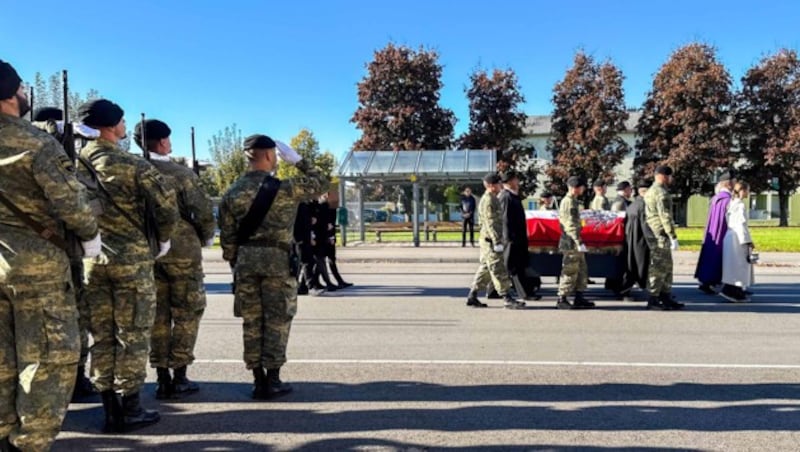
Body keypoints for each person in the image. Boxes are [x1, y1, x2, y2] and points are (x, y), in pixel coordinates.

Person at [0, 60, 100, 452]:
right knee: (48, 362)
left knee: (2, 361)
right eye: (22, 89)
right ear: (10, 95)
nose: (25, 95)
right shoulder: (36, 143)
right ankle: (28, 444)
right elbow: (72, 204)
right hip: (36, 269)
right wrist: (90, 236)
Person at [78, 99, 178, 432]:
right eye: (121, 121)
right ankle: (130, 407)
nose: (124, 127)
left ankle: (108, 406)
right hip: (131, 260)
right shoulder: (132, 164)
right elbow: (166, 208)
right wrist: (163, 239)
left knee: (102, 336)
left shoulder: (75, 162)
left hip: (93, 261)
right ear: (111, 126)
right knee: (132, 334)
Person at [219, 136, 327, 399]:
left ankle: (257, 379)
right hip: (278, 262)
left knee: (252, 321)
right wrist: (299, 161)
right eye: (276, 155)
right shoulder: (285, 189)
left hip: (245, 263)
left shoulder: (232, 192)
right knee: (277, 320)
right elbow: (322, 183)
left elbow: (228, 238)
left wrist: (237, 262)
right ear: (268, 156)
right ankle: (273, 378)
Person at [134, 119, 216, 400]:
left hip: (146, 248)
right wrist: (207, 235)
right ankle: (179, 373)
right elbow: (201, 210)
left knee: (157, 315)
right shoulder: (180, 173)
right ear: (164, 142)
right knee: (186, 312)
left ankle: (161, 376)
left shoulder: (134, 169)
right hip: (182, 251)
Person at [29, 106, 96, 401]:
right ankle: (76, 380)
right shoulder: (50, 154)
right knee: (73, 317)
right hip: (60, 249)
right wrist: (89, 235)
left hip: (20, 252)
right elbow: (75, 202)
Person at [465, 173, 524, 309]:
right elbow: (490, 223)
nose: (501, 186)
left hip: (490, 240)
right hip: (491, 241)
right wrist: (497, 241)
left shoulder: (493, 198)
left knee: (485, 269)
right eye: (498, 184)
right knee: (498, 269)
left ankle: (472, 295)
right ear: (491, 186)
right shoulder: (489, 200)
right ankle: (507, 297)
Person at [643, 166, 684, 311]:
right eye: (670, 176)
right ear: (663, 176)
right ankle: (653, 298)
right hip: (660, 233)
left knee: (666, 266)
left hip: (655, 232)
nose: (671, 179)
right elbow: (665, 215)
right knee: (659, 267)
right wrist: (672, 235)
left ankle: (665, 296)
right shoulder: (661, 193)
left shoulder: (651, 191)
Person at [498, 171, 538, 299]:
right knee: (512, 267)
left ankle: (495, 291)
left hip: (518, 237)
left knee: (517, 266)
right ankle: (523, 294)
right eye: (516, 180)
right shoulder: (505, 197)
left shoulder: (513, 196)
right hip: (511, 239)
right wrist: (509, 238)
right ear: (509, 182)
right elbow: (505, 220)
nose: (518, 182)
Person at [556, 176, 595, 310]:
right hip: (571, 241)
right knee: (570, 270)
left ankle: (579, 296)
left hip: (575, 240)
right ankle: (562, 298)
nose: (583, 189)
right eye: (582, 187)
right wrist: (578, 241)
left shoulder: (573, 201)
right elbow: (570, 223)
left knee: (581, 270)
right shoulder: (568, 202)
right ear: (576, 188)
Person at [695, 172, 735, 294]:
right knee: (720, 255)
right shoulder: (728, 200)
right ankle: (716, 281)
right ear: (729, 184)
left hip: (712, 231)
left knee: (710, 254)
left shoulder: (715, 198)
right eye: (734, 182)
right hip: (723, 231)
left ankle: (706, 281)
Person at [720, 182, 754, 302]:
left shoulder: (731, 203)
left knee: (732, 265)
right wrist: (747, 241)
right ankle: (732, 290)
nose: (748, 193)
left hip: (729, 236)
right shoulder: (740, 205)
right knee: (739, 265)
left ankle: (735, 289)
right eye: (747, 190)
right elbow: (741, 224)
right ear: (742, 190)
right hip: (737, 238)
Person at [620, 180, 654, 298]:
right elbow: (646, 225)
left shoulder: (633, 204)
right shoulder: (644, 205)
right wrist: (652, 241)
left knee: (631, 265)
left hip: (631, 239)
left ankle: (627, 289)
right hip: (640, 240)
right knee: (641, 265)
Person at [319, 189, 352, 289]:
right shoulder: (323, 207)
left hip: (329, 237)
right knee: (320, 261)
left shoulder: (331, 208)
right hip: (324, 237)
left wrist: (332, 236)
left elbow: (332, 224)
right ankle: (324, 282)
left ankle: (338, 280)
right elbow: (325, 223)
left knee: (330, 260)